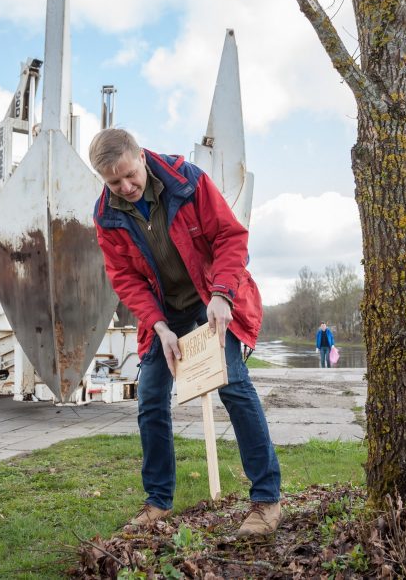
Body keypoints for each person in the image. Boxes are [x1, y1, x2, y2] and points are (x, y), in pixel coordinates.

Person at [91, 128, 282, 538]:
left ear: (141, 156)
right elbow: (124, 278)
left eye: (129, 175)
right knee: (151, 398)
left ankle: (267, 500)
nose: (125, 187)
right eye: (113, 182)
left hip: (211, 292)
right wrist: (158, 326)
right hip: (163, 312)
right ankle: (158, 502)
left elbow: (231, 236)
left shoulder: (187, 180)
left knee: (233, 383)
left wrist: (222, 295)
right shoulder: (106, 216)